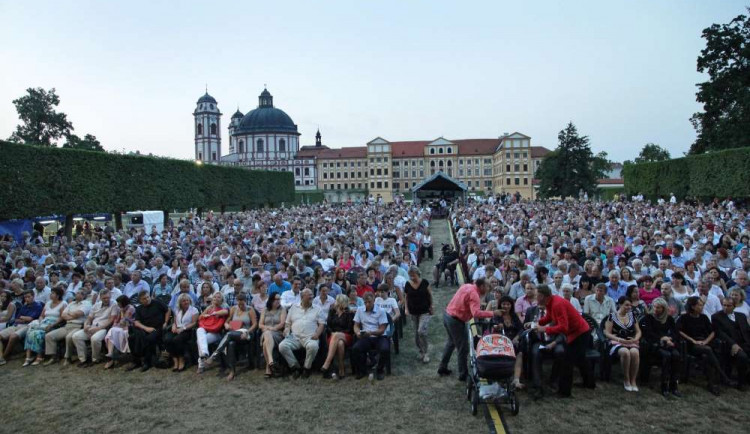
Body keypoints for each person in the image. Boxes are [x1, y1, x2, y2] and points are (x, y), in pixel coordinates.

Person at [534, 284, 595, 397]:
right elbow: (550, 317)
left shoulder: (557, 304)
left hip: (580, 333)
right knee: (580, 359)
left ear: (542, 296)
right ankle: (589, 383)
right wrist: (537, 324)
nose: (535, 297)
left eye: (536, 295)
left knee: (567, 362)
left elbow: (563, 327)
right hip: (576, 332)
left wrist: (545, 329)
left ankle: (564, 392)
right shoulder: (550, 302)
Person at [438, 278, 501, 381]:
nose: (489, 289)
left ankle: (442, 367)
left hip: (448, 315)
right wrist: (493, 313)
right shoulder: (474, 294)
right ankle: (463, 374)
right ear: (481, 286)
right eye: (487, 286)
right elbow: (476, 313)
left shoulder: (467, 286)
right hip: (456, 321)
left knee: (451, 343)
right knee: (463, 348)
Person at [677, 297, 730, 395]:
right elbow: (679, 331)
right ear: (693, 306)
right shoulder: (684, 318)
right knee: (708, 350)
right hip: (691, 344)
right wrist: (693, 340)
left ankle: (711, 384)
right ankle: (723, 376)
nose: (702, 307)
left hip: (704, 343)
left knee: (707, 355)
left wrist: (705, 341)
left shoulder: (704, 317)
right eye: (700, 305)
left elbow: (713, 331)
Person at [208, 293, 258, 381]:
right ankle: (232, 371)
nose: (241, 305)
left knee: (229, 334)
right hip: (235, 332)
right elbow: (227, 320)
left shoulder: (250, 309)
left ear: (245, 301)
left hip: (246, 333)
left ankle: (215, 354)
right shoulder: (234, 309)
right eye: (239, 303)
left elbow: (254, 324)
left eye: (242, 303)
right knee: (230, 343)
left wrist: (247, 332)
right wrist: (226, 324)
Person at [279, 288, 324, 378]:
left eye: (312, 295)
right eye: (309, 295)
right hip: (294, 337)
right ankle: (295, 367)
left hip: (310, 337)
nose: (312, 297)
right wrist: (286, 330)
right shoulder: (293, 308)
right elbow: (288, 323)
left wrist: (317, 334)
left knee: (313, 346)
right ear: (302, 297)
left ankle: (306, 368)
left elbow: (321, 324)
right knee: (282, 346)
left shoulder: (317, 309)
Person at [643, 297, 681, 397]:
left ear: (664, 309)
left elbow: (675, 333)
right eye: (655, 307)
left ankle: (674, 385)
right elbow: (649, 333)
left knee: (676, 355)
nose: (656, 309)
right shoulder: (649, 318)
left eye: (659, 308)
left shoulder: (669, 319)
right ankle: (664, 385)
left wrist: (669, 339)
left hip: (668, 344)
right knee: (667, 356)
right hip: (654, 345)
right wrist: (662, 338)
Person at [43, 288, 91, 365]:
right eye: (77, 293)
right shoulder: (71, 303)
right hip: (67, 325)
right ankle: (53, 357)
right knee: (49, 336)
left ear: (84, 295)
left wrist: (70, 314)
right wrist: (72, 316)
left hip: (78, 326)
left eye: (79, 293)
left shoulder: (87, 303)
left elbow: (79, 313)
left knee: (69, 337)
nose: (77, 294)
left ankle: (68, 358)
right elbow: (63, 315)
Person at [604, 296, 642, 392]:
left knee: (635, 353)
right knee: (625, 352)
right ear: (620, 304)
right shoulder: (612, 316)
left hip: (631, 341)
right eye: (626, 305)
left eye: (630, 305)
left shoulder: (632, 316)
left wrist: (635, 339)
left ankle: (633, 380)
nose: (629, 307)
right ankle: (626, 379)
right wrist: (620, 340)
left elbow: (638, 331)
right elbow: (607, 333)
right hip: (617, 341)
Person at [712, 297, 750, 391]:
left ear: (734, 306)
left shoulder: (741, 316)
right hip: (729, 344)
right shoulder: (716, 317)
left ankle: (747, 378)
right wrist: (733, 344)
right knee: (742, 356)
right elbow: (720, 333)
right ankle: (741, 382)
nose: (725, 308)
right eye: (724, 305)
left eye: (728, 306)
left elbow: (747, 331)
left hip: (745, 342)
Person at [23, 286, 66, 366]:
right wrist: (40, 321)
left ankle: (39, 356)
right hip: (44, 322)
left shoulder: (63, 304)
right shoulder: (48, 303)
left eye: (53, 293)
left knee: (38, 334)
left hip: (54, 324)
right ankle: (28, 357)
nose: (50, 295)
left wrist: (52, 324)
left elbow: (61, 318)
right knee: (29, 332)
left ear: (58, 295)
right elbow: (42, 315)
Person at [352, 292, 390, 381]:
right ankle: (362, 370)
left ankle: (380, 370)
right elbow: (356, 325)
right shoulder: (360, 310)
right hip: (366, 337)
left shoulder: (381, 311)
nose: (367, 304)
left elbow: (382, 329)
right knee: (355, 349)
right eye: (365, 302)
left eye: (369, 302)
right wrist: (357, 332)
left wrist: (371, 332)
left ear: (374, 300)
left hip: (379, 336)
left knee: (385, 349)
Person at [128, 290, 168, 372]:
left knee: (149, 339)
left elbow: (168, 310)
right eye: (144, 299)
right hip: (145, 328)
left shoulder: (157, 303)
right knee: (131, 338)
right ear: (140, 300)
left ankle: (147, 362)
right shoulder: (139, 308)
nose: (147, 299)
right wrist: (146, 328)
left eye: (147, 297)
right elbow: (136, 322)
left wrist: (166, 322)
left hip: (158, 328)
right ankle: (136, 361)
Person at [404, 266, 433, 363]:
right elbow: (406, 297)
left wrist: (431, 306)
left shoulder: (424, 282)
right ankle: (421, 350)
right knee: (416, 334)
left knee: (421, 331)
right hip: (413, 312)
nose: (412, 277)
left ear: (418, 274)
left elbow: (430, 295)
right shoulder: (407, 284)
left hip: (424, 311)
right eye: (410, 276)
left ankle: (426, 352)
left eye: (414, 275)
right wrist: (406, 309)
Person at [321, 294, 354, 379]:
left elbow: (349, 329)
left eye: (337, 301)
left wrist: (338, 334)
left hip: (346, 336)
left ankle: (327, 363)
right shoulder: (332, 311)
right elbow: (328, 325)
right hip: (332, 337)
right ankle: (341, 368)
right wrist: (333, 333)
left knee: (337, 336)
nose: (335, 303)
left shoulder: (349, 313)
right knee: (339, 344)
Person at [163, 293, 198, 372]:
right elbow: (175, 321)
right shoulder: (177, 309)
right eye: (183, 301)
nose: (186, 302)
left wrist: (183, 328)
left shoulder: (194, 310)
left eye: (187, 300)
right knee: (167, 339)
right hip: (177, 328)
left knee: (177, 340)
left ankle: (181, 359)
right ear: (180, 303)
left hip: (187, 330)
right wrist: (174, 326)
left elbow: (194, 323)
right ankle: (175, 360)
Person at [196, 292, 228, 373]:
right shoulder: (209, 308)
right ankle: (205, 353)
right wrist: (204, 315)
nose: (216, 298)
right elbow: (200, 318)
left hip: (216, 333)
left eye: (218, 297)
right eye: (214, 297)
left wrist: (213, 314)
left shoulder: (223, 307)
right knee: (199, 330)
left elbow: (225, 312)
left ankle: (201, 364)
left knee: (200, 341)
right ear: (212, 299)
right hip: (206, 329)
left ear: (222, 300)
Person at [103, 295, 136, 369]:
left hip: (129, 327)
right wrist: (114, 325)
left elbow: (124, 321)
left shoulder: (130, 308)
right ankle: (110, 353)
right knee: (111, 331)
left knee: (114, 331)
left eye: (119, 303)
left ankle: (112, 355)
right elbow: (117, 320)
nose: (117, 304)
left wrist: (117, 324)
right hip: (120, 327)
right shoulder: (120, 309)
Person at [259, 292, 286, 377]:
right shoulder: (265, 310)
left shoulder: (282, 309)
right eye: (276, 299)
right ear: (271, 300)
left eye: (279, 299)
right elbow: (260, 325)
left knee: (265, 343)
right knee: (267, 334)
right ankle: (271, 362)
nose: (278, 301)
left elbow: (282, 324)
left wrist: (271, 328)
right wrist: (269, 329)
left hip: (278, 333)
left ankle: (268, 366)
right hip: (266, 333)